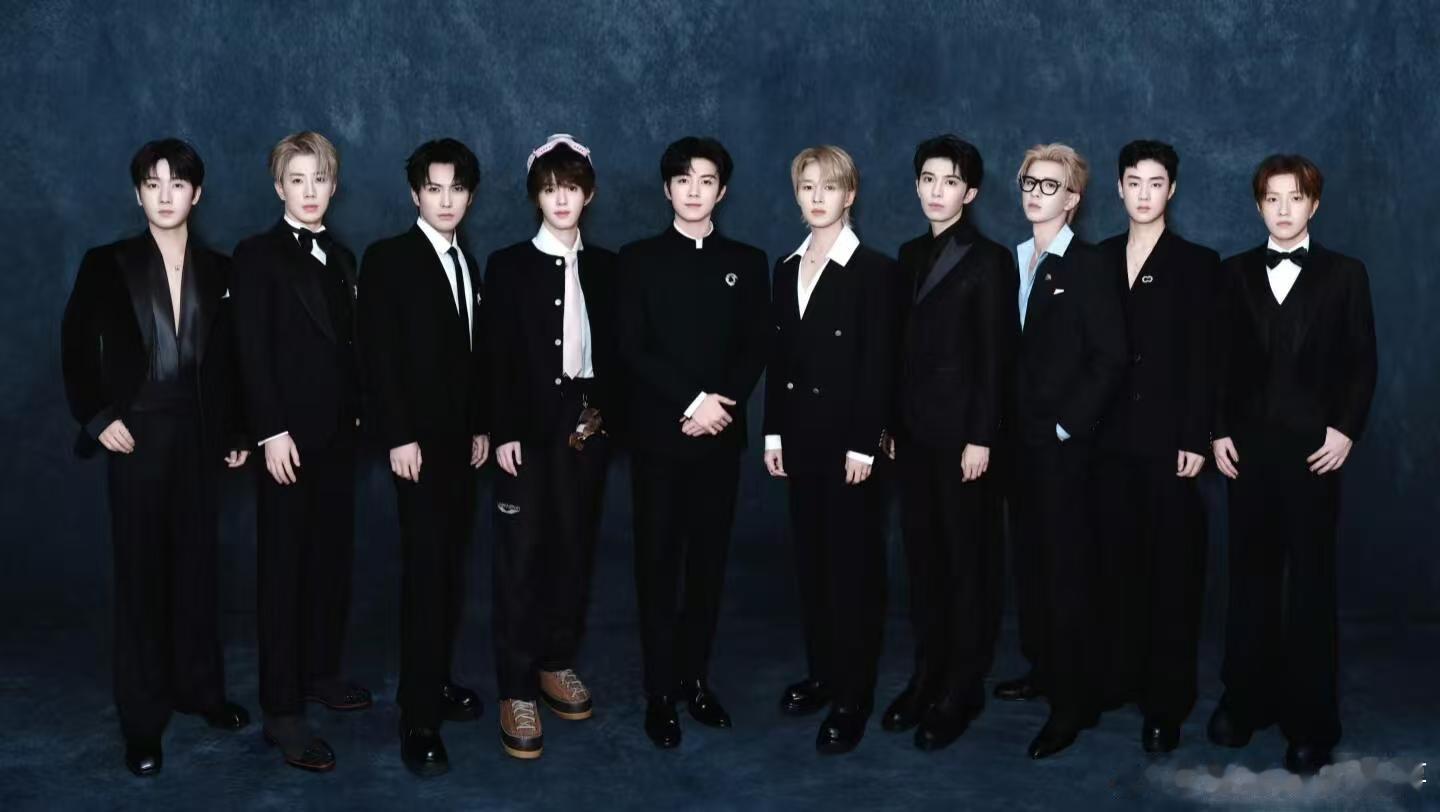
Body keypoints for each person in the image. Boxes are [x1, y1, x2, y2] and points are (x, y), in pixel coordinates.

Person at [60, 138, 251, 777]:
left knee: (198, 568)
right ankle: (142, 722)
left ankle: (201, 690)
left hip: (200, 436)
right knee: (142, 575)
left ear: (197, 194)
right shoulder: (106, 263)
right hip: (137, 434)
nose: (165, 196)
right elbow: (75, 345)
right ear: (137, 194)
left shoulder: (223, 269)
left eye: (178, 184)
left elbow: (232, 361)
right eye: (153, 184)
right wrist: (99, 417)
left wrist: (236, 431)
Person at [1208, 154, 1376, 775]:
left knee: (1310, 584)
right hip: (1247, 452)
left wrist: (1346, 430)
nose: (1283, 209)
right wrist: (1217, 430)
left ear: (1314, 205)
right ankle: (1245, 699)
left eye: (1295, 197)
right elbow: (1216, 361)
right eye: (1272, 198)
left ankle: (1312, 720)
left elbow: (1362, 360)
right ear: (1258, 206)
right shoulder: (1232, 273)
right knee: (1249, 578)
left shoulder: (1345, 274)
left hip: (1314, 453)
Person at [617, 136, 770, 749]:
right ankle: (659, 692)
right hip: (660, 439)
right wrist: (691, 402)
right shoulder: (637, 259)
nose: (694, 190)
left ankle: (695, 680)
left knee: (707, 566)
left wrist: (718, 407)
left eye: (706, 180)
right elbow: (633, 347)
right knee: (657, 567)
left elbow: (755, 345)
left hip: (719, 439)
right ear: (667, 188)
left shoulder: (748, 261)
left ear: (722, 190)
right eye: (683, 180)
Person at [232, 131, 370, 772]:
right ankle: (282, 709)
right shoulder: (256, 255)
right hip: (286, 439)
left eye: (319, 179)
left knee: (329, 561)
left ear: (333, 186)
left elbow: (350, 348)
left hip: (339, 438)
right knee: (283, 571)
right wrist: (270, 431)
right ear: (278, 187)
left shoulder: (342, 255)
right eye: (297, 179)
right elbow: (250, 349)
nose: (309, 191)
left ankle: (319, 672)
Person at [356, 138, 491, 777]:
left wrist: (481, 427)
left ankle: (436, 679)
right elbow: (377, 354)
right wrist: (398, 435)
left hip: (460, 446)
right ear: (415, 194)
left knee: (451, 569)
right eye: (433, 188)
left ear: (470, 196)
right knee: (425, 573)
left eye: (456, 189)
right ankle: (418, 717)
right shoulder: (389, 258)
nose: (445, 200)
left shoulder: (468, 261)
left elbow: (473, 358)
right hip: (416, 445)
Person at [879, 135, 1015, 752]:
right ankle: (927, 674)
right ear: (917, 185)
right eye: (928, 179)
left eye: (951, 181)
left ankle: (963, 684)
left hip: (964, 441)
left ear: (971, 192)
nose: (937, 191)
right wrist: (888, 426)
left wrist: (981, 438)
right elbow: (897, 354)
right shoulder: (907, 253)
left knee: (966, 561)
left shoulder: (989, 259)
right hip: (912, 439)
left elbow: (995, 358)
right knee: (924, 559)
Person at [485, 134, 618, 760]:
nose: (560, 199)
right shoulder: (509, 264)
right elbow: (494, 356)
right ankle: (516, 686)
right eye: (548, 189)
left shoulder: (608, 266)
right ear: (535, 197)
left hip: (584, 426)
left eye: (571, 188)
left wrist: (607, 417)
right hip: (527, 426)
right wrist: (504, 429)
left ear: (588, 194)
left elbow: (619, 351)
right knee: (522, 554)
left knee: (572, 546)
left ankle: (555, 660)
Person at [763, 145, 895, 754]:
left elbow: (878, 366)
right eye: (807, 186)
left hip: (849, 448)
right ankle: (822, 674)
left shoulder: (874, 270)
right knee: (812, 564)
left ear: (850, 195)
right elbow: (780, 359)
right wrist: (772, 433)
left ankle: (852, 695)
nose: (817, 197)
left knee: (852, 573)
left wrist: (864, 446)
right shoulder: (785, 266)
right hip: (800, 441)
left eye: (830, 187)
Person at [997, 143, 1127, 759]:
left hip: (1063, 448)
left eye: (1050, 185)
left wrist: (1065, 428)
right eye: (1030, 182)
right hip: (1017, 445)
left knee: (1069, 571)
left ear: (1073, 198)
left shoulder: (1091, 264)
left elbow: (1110, 357)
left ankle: (1073, 702)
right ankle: (1044, 668)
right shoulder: (1016, 258)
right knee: (1031, 562)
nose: (1035, 193)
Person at [1092, 140, 1218, 753]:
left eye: (1156, 183)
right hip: (1107, 439)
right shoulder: (1097, 257)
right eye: (1134, 182)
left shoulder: (1197, 263)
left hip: (1170, 442)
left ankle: (1167, 701)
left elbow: (1206, 358)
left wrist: (1195, 434)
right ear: (1119, 188)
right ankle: (1122, 676)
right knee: (1117, 563)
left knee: (1172, 571)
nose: (1144, 194)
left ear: (1173, 190)